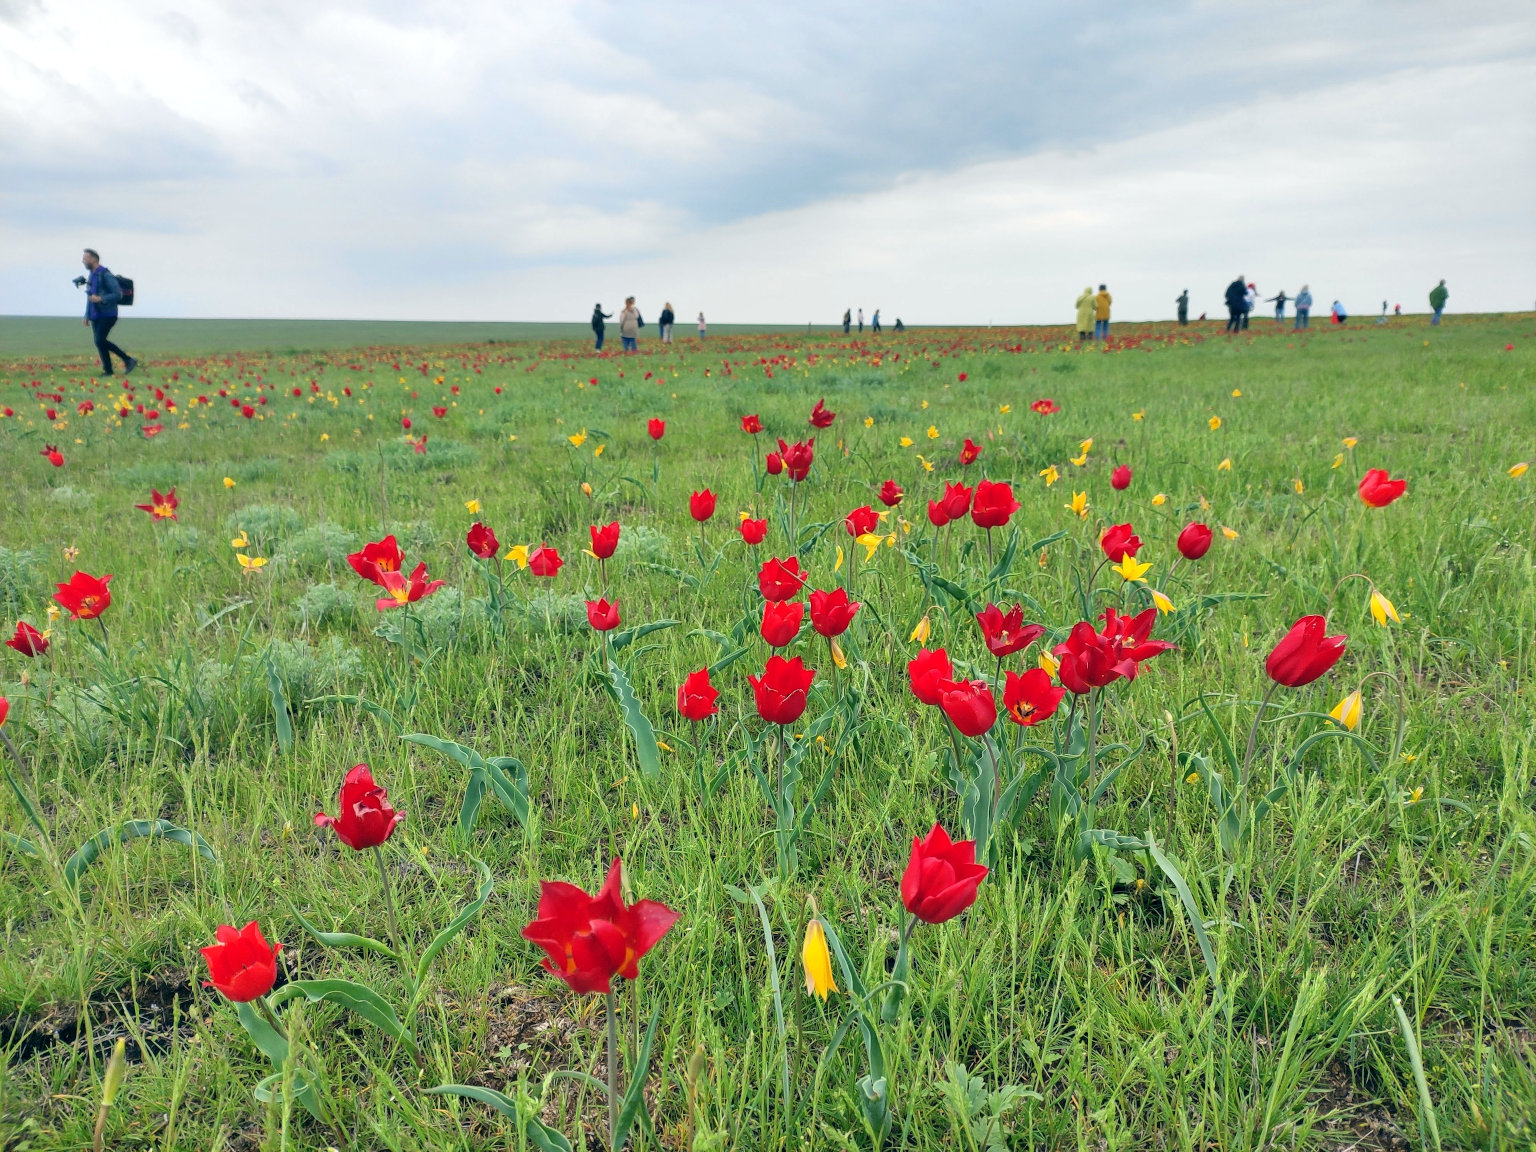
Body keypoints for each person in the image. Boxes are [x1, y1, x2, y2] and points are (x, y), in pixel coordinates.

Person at [80, 249, 136, 376]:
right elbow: (90, 297)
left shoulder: (105, 274)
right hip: (96, 314)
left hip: (108, 314)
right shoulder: (92, 275)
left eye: (85, 258)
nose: (83, 261)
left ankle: (128, 360)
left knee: (100, 340)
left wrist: (101, 298)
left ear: (93, 259)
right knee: (99, 342)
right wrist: (86, 315)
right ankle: (108, 370)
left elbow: (118, 294)